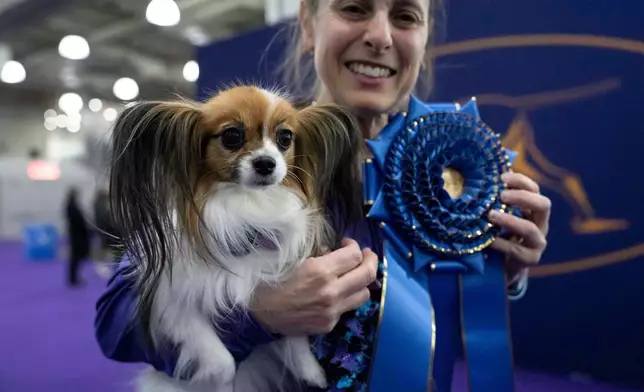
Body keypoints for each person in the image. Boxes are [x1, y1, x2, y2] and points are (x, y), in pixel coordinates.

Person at [95, 0, 551, 390]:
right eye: (354, 7)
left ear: (425, 40)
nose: (380, 35)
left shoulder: (450, 170)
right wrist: (258, 315)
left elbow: (440, 326)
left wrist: (500, 273)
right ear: (309, 24)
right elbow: (115, 322)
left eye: (407, 16)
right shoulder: (244, 174)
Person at [65, 187, 91, 287]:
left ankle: (74, 277)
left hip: (76, 236)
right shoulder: (72, 208)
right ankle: (73, 278)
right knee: (75, 258)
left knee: (76, 258)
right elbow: (79, 223)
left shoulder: (71, 207)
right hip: (77, 237)